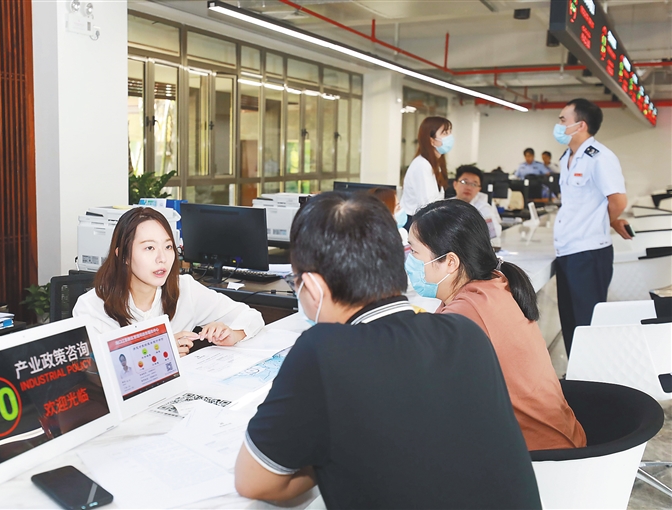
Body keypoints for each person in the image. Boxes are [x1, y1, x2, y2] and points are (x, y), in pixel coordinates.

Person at [234, 192, 541, 509]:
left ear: (312, 287)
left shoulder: (323, 351)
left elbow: (252, 481)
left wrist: (324, 457)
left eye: (295, 281)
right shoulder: (465, 333)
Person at [408, 199, 587, 451]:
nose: (409, 260)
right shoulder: (494, 283)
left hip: (539, 459)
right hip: (557, 441)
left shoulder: (467, 312)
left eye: (414, 252)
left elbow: (422, 387)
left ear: (450, 262)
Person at [73, 207, 264, 356]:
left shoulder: (185, 289)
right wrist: (160, 349)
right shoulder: (91, 307)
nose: (162, 258)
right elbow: (94, 372)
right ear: (123, 256)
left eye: (168, 247)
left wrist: (233, 334)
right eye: (149, 248)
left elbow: (251, 316)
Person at [553, 98, 630, 357]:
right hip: (567, 250)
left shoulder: (600, 157)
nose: (558, 125)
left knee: (588, 323)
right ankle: (576, 373)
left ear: (581, 125)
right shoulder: (567, 157)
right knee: (570, 322)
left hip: (588, 252)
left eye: (563, 120)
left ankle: (592, 376)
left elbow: (618, 201)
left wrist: (604, 221)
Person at [400, 117, 453, 228]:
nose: (450, 137)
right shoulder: (422, 165)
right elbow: (427, 204)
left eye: (450, 132)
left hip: (425, 219)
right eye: (445, 133)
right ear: (432, 140)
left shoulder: (434, 164)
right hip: (415, 222)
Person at [453, 164, 502, 242]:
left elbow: (493, 233)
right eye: (464, 182)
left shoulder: (483, 208)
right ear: (455, 184)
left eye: (474, 184)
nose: (468, 187)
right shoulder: (444, 205)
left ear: (479, 189)